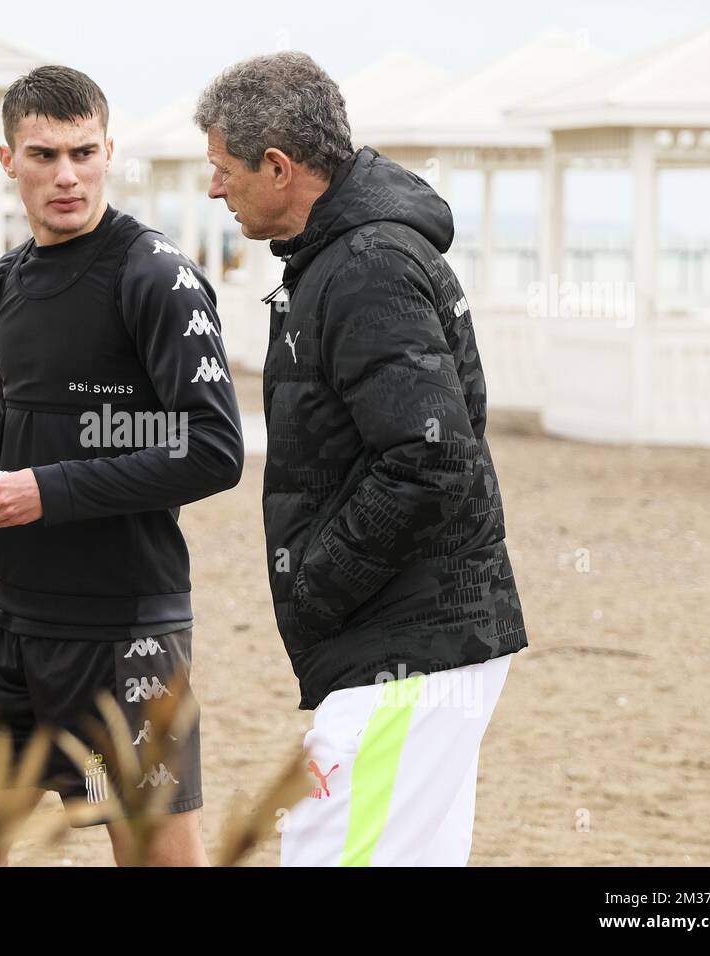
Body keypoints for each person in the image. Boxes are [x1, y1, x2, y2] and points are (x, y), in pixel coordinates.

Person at [0, 65, 244, 866]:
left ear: (109, 152)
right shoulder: (7, 282)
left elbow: (214, 449)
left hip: (127, 634)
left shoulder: (156, 276)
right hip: (15, 626)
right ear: (6, 160)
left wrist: (46, 492)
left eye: (84, 153)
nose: (66, 175)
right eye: (44, 154)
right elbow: (17, 432)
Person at [194, 51, 528, 866]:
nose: (214, 189)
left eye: (223, 169)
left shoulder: (368, 265)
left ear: (278, 168)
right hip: (413, 647)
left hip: (409, 648)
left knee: (325, 852)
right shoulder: (341, 258)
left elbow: (431, 459)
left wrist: (319, 585)